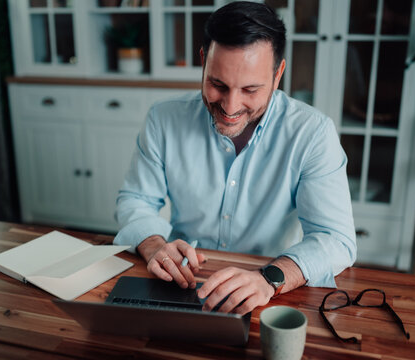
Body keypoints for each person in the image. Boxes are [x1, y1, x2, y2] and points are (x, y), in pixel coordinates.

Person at [114, 1, 356, 315]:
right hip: (183, 284)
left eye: (250, 89)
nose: (230, 107)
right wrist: (154, 245)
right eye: (218, 85)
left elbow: (336, 239)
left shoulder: (313, 134)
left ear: (278, 74)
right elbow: (135, 200)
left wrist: (270, 278)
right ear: (203, 62)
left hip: (271, 295)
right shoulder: (164, 119)